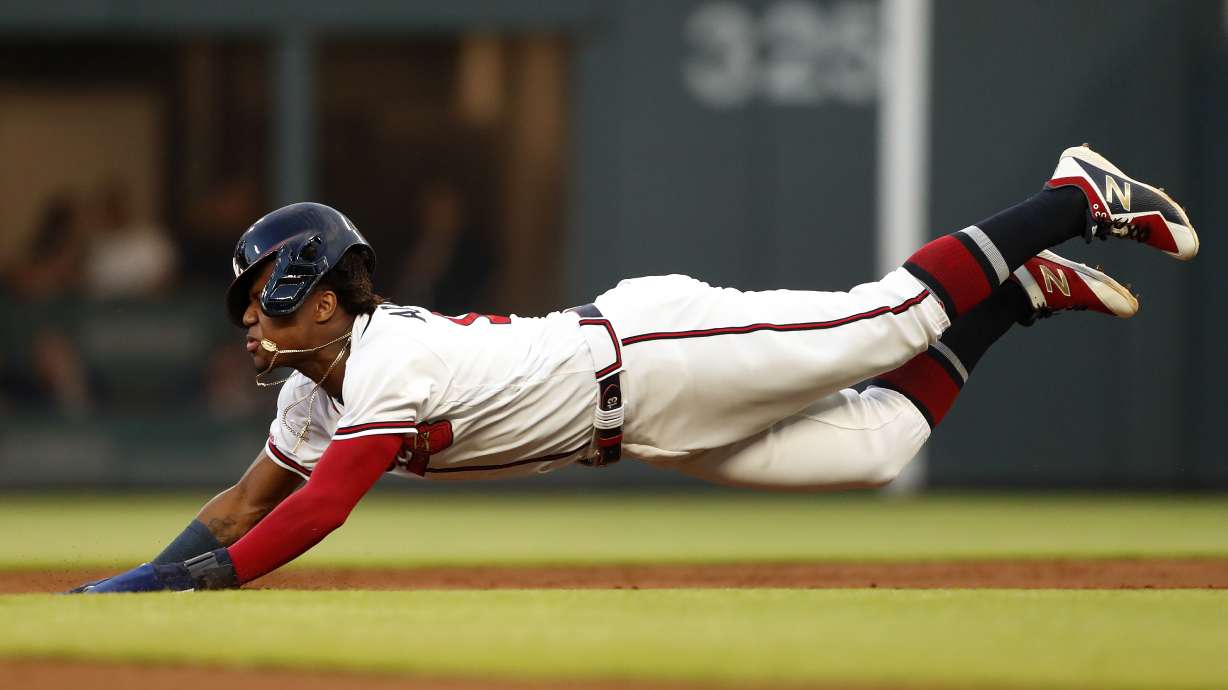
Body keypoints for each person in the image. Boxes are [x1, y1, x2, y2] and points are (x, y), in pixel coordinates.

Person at [71, 145, 1198, 592]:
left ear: (318, 289)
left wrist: (194, 588)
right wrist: (137, 583)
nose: (251, 330)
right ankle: (1017, 295)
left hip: (648, 354)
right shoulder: (322, 393)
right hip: (643, 427)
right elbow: (249, 500)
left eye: (261, 304)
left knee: (893, 315)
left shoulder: (388, 358)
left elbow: (317, 512)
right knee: (877, 446)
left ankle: (1074, 195)